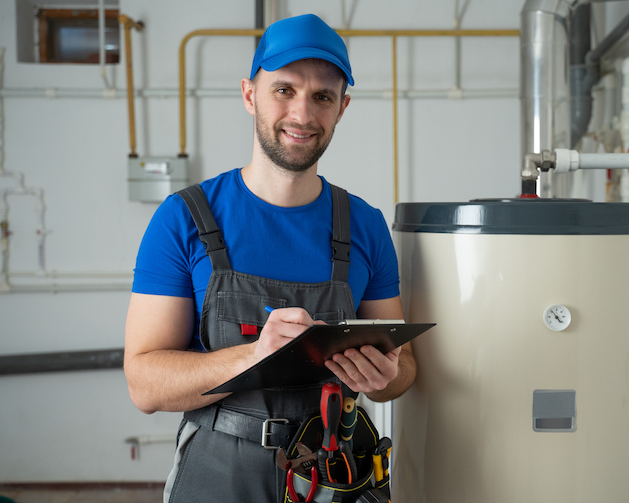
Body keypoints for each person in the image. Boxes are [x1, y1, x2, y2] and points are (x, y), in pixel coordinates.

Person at [123, 13, 416, 503]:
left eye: (322, 96)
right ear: (249, 94)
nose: (302, 113)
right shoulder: (184, 219)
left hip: (334, 471)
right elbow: (145, 384)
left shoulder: (364, 225)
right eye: (284, 89)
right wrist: (255, 357)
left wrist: (387, 378)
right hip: (219, 473)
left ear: (341, 108)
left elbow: (405, 369)